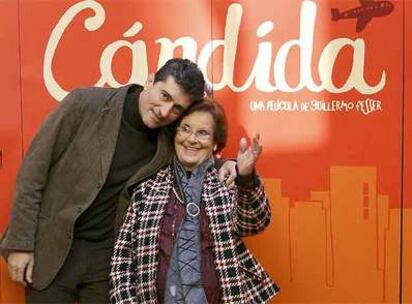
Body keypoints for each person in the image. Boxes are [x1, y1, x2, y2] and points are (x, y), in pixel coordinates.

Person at [0, 58, 236, 303]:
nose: (165, 112)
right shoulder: (85, 103)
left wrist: (228, 165)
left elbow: (193, 154)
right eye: (164, 96)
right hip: (53, 249)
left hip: (107, 263)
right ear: (150, 81)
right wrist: (20, 243)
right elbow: (33, 170)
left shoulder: (167, 140)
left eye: (177, 108)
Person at [110, 99, 279, 303]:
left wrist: (245, 178)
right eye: (185, 129)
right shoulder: (147, 190)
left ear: (215, 142)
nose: (191, 139)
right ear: (175, 135)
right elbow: (122, 261)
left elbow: (254, 223)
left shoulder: (227, 182)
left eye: (203, 133)